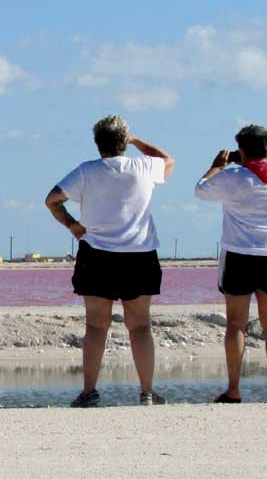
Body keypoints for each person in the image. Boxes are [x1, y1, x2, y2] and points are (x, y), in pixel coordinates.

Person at [45, 115, 175, 407]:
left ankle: (89, 391)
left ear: (97, 143)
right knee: (140, 326)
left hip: (97, 254)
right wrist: (138, 141)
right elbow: (167, 159)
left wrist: (72, 225)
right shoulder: (143, 166)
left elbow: (52, 200)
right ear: (124, 142)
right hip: (139, 254)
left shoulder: (87, 171)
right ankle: (147, 392)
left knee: (95, 327)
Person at [195, 125, 267, 403]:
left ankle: (234, 389)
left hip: (240, 252)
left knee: (236, 324)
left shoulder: (231, 177)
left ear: (241, 149)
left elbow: (201, 190)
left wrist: (216, 167)